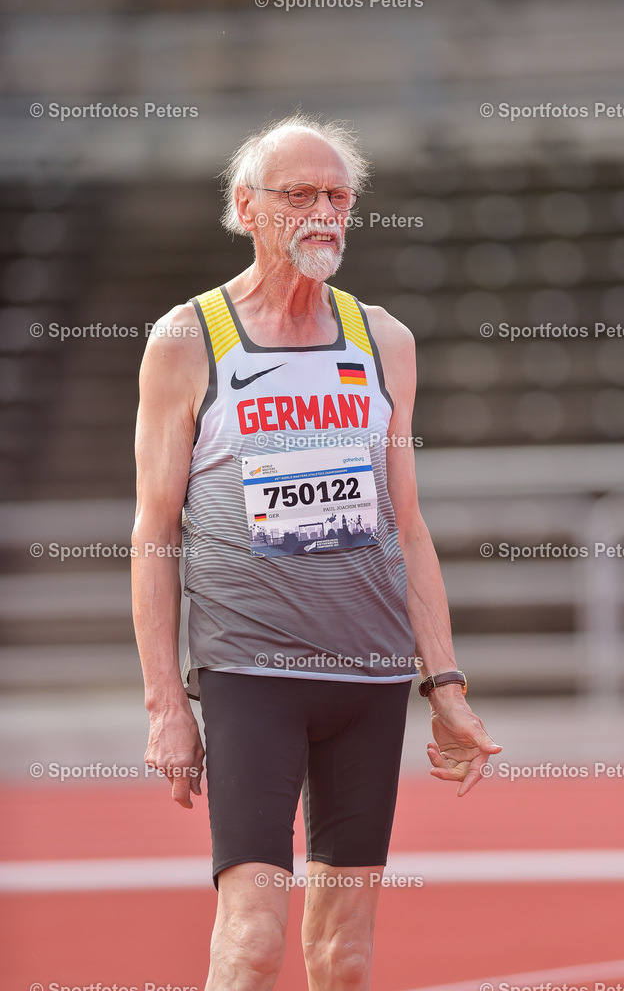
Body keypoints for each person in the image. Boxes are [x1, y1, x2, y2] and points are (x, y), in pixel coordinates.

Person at [131, 113, 501, 991]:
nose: (323, 213)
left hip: (369, 677)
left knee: (343, 957)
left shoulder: (383, 341)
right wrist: (162, 705)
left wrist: (444, 684)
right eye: (299, 195)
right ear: (245, 207)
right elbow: (154, 533)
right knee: (254, 942)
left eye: (338, 196)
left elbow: (406, 527)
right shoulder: (189, 339)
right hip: (250, 675)